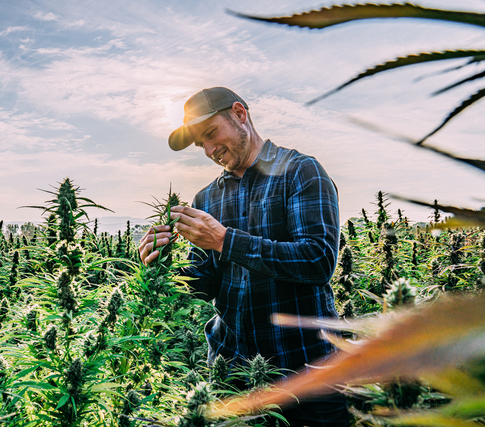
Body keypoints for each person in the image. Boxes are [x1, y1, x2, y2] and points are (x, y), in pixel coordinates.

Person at [138, 87, 350, 427]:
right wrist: (161, 267)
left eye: (211, 134)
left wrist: (224, 240)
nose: (209, 150)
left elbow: (318, 261)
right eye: (200, 145)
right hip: (232, 372)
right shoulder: (206, 198)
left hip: (306, 372)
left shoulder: (300, 172)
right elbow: (204, 282)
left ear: (240, 114)